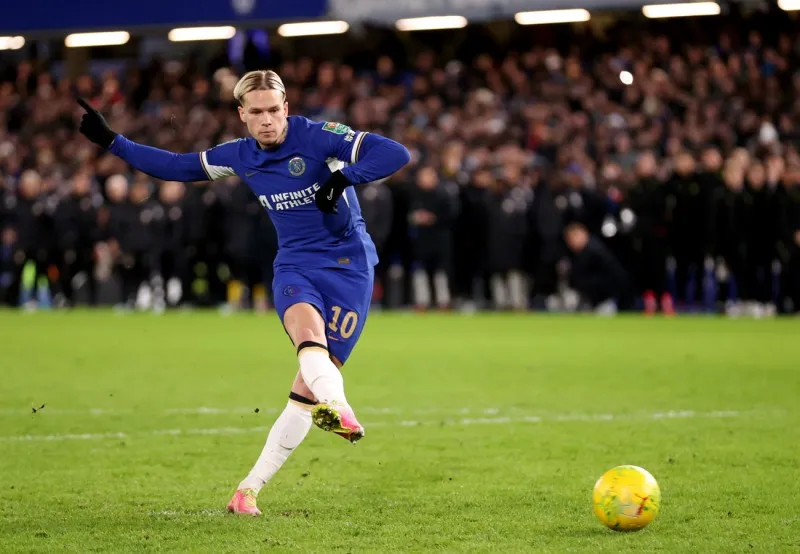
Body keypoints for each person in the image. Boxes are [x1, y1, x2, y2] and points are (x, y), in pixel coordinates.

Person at [76, 70, 411, 516]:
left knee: (306, 388)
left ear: (286, 107)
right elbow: (177, 166)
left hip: (350, 266)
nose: (268, 120)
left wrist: (344, 178)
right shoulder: (239, 155)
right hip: (295, 265)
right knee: (307, 339)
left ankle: (247, 490)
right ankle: (339, 406)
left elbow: (395, 152)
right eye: (257, 113)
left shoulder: (319, 136)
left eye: (275, 110)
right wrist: (112, 141)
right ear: (242, 116)